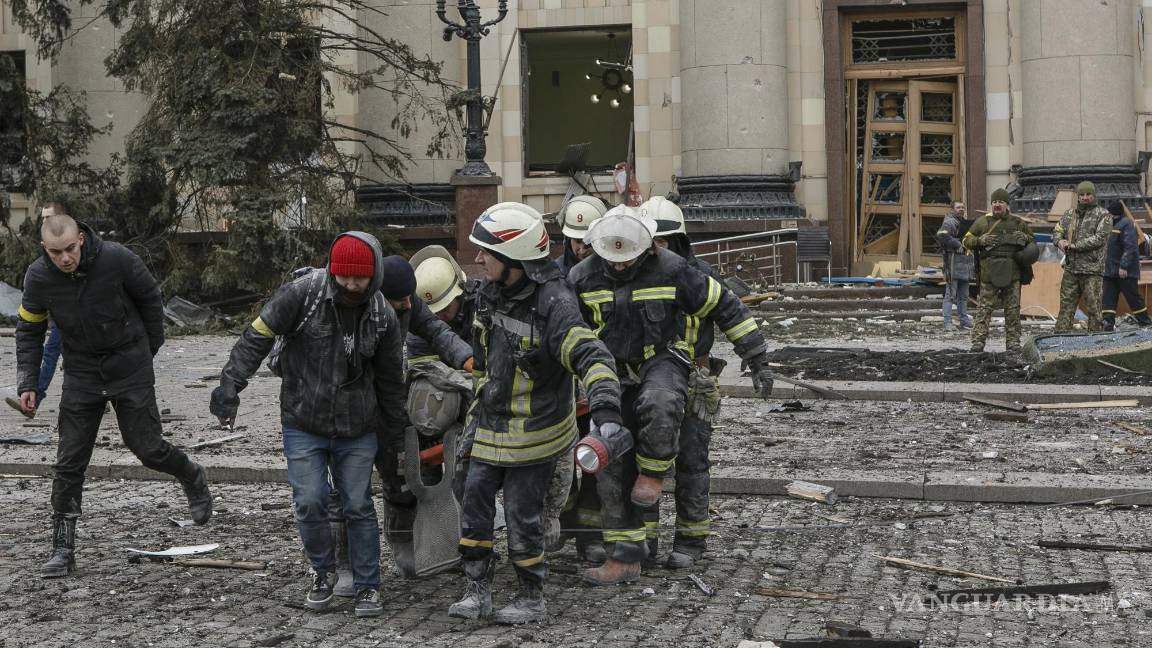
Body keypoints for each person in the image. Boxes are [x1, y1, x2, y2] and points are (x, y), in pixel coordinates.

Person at [568, 206, 775, 585]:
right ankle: (628, 556)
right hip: (611, 372)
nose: (619, 265)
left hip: (666, 361)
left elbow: (726, 307)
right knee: (612, 468)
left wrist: (757, 357)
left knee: (663, 408)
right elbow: (564, 327)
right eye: (612, 258)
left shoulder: (676, 271)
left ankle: (661, 490)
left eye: (627, 257)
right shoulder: (582, 277)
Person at [210, 232, 408, 618]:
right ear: (333, 271)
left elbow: (390, 383)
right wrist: (229, 387)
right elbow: (256, 337)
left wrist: (396, 441)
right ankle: (323, 572)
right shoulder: (303, 295)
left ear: (375, 276)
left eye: (361, 278)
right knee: (309, 501)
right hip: (303, 421)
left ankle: (368, 585)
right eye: (345, 276)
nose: (352, 285)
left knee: (357, 504)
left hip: (358, 427)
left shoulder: (383, 315)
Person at [15, 202, 213, 579]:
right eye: (56, 253)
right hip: (82, 373)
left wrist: (147, 350)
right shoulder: (38, 278)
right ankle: (62, 549)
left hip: (129, 365)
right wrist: (28, 382)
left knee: (148, 448)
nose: (65, 258)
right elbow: (29, 330)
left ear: (81, 238)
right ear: (44, 249)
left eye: (70, 249)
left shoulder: (116, 259)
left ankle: (191, 474)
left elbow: (151, 299)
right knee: (69, 461)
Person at [448, 202, 623, 624]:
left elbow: (591, 355)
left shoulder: (555, 302)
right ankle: (477, 591)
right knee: (473, 504)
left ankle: (531, 597)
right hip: (490, 424)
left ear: (514, 258)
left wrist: (605, 409)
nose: (478, 259)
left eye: (486, 251)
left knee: (523, 516)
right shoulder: (490, 292)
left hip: (535, 433)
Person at [642, 195, 738, 569]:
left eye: (663, 242)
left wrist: (755, 355)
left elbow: (731, 314)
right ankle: (644, 542)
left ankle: (691, 540)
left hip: (696, 382)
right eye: (650, 242)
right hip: (649, 382)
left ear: (679, 242)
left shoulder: (702, 276)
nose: (656, 250)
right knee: (644, 462)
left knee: (692, 460)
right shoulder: (635, 278)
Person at [963, 188, 1035, 354]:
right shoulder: (982, 222)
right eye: (994, 202)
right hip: (989, 273)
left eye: (1000, 202)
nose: (997, 205)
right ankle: (978, 342)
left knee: (1013, 310)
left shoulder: (1018, 223)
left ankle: (1013, 343)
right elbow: (965, 240)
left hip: (1013, 273)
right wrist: (980, 240)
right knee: (984, 309)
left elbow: (1032, 241)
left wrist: (1025, 238)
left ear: (1007, 204)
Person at [1054, 181, 1112, 332]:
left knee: (1094, 308)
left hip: (1092, 270)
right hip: (1071, 269)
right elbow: (1057, 230)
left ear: (1094, 195)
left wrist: (1074, 245)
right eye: (1082, 195)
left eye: (1088, 194)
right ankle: (1061, 337)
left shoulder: (1103, 215)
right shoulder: (1069, 214)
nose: (1085, 198)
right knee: (1066, 307)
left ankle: (1095, 339)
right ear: (1078, 196)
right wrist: (1059, 241)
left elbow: (1100, 238)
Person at [1102, 202, 1152, 330]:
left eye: (1109, 213)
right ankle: (1108, 323)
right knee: (1108, 297)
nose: (1107, 215)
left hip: (1125, 272)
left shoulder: (1127, 224)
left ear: (1114, 213)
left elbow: (1130, 247)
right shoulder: (1111, 225)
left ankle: (1145, 322)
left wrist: (1123, 266)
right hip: (1110, 271)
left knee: (1133, 297)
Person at [6, 320, 61, 418]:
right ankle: (32, 403)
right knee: (53, 354)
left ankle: (32, 403)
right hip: (65, 320)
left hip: (66, 320)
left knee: (51, 354)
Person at [936, 201, 975, 331]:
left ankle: (964, 320)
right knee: (950, 295)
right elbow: (942, 235)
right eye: (958, 207)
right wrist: (957, 244)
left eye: (963, 207)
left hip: (965, 264)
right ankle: (947, 322)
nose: (961, 209)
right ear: (952, 209)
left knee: (963, 296)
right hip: (952, 263)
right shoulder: (949, 222)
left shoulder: (964, 223)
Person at [554, 195, 608, 275]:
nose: (582, 251)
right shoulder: (557, 271)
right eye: (578, 241)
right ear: (568, 240)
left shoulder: (615, 269)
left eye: (589, 243)